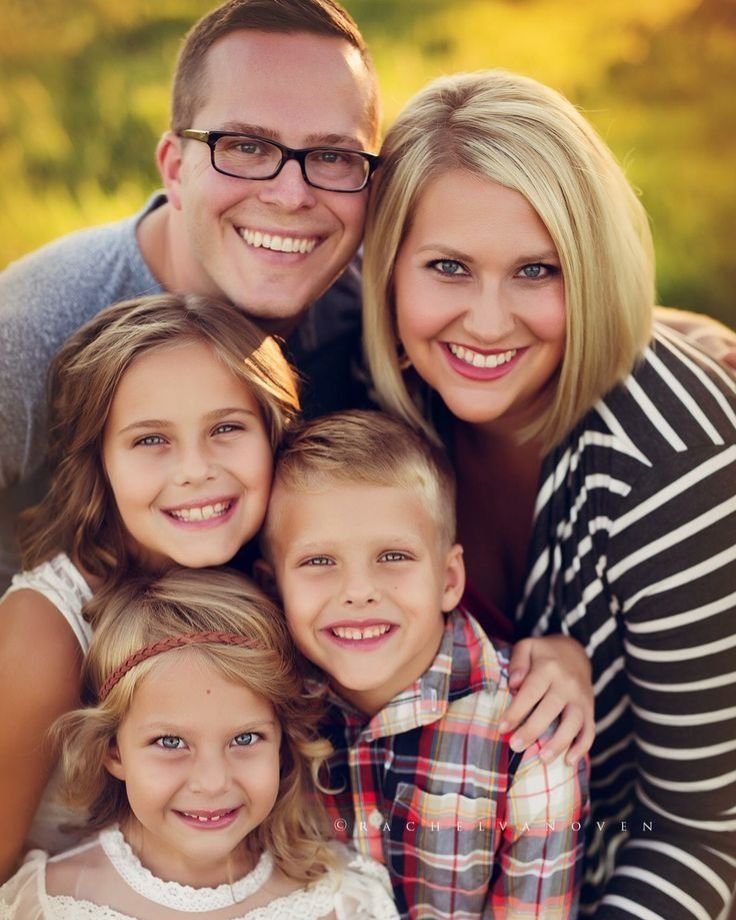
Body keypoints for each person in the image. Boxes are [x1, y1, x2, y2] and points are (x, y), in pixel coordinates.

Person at [360, 69, 736, 919]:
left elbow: (704, 834)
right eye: (449, 267)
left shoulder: (675, 464)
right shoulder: (369, 397)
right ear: (387, 269)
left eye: (537, 270)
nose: (488, 324)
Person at [0, 0, 381, 590]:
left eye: (332, 156)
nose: (290, 195)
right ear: (174, 168)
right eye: (245, 146)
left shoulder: (379, 315)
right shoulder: (33, 328)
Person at [0, 293, 300, 880]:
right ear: (100, 462)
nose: (195, 468)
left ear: (273, 436)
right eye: (150, 440)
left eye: (227, 428)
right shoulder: (49, 628)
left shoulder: (282, 583)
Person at [260, 409, 590, 919]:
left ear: (450, 579)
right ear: (271, 586)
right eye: (318, 562)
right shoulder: (263, 711)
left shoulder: (530, 738)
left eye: (393, 556)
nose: (358, 592)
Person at [0, 567, 400, 919]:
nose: (212, 782)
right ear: (113, 751)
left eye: (245, 738)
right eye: (171, 742)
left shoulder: (339, 901)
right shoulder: (50, 903)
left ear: (281, 743)